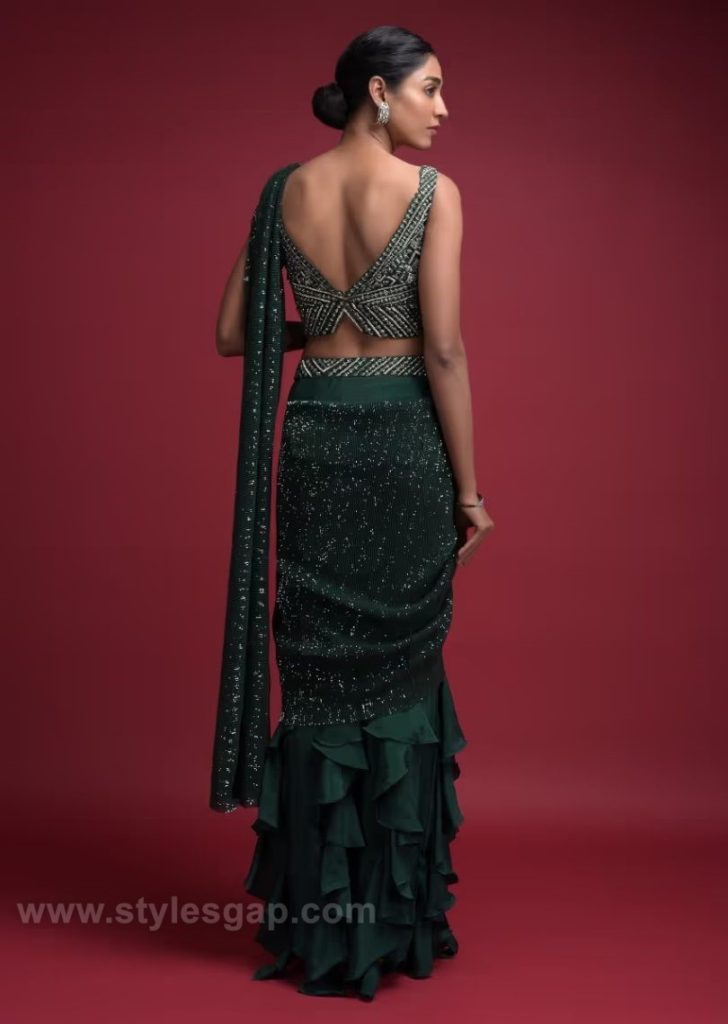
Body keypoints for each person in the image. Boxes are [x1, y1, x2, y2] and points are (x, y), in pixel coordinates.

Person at [210, 24, 494, 1000]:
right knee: (399, 670)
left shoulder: (281, 191)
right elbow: (443, 349)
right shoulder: (431, 192)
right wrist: (468, 492)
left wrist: (328, 327)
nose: (442, 108)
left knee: (321, 673)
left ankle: (320, 921)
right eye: (430, 88)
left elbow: (231, 334)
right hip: (402, 444)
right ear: (379, 90)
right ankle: (391, 916)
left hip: (315, 441)